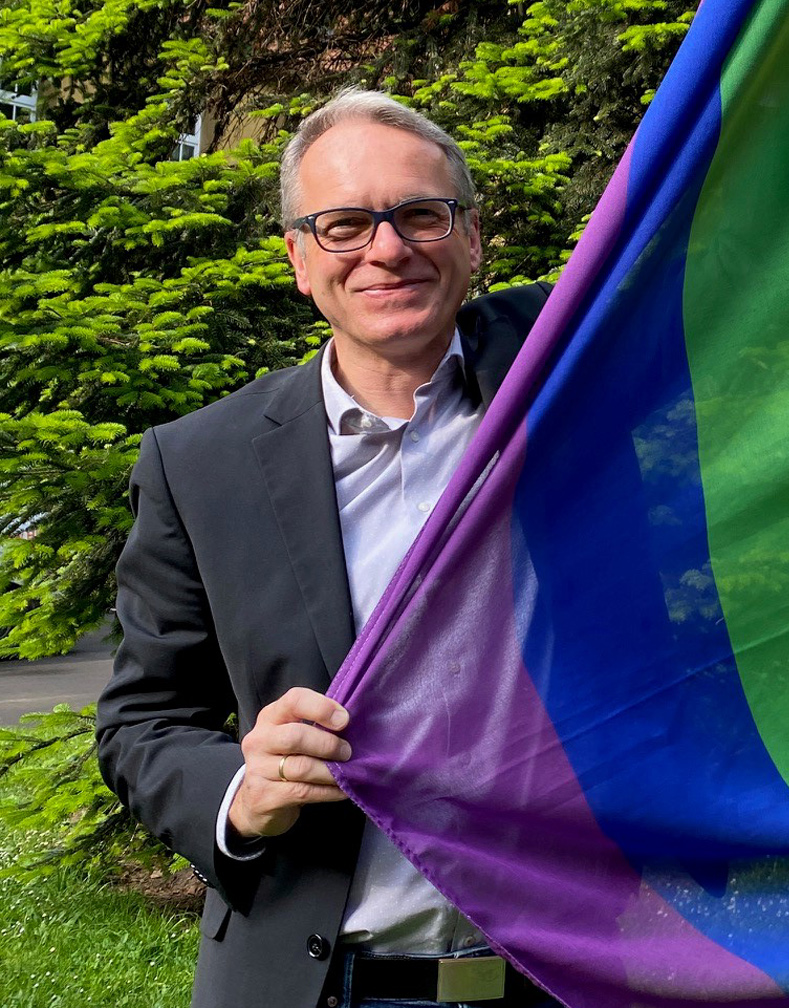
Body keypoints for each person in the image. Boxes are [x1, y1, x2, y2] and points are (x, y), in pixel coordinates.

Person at [96, 89, 554, 1008]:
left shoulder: (567, 381)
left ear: (471, 238)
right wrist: (242, 791)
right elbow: (141, 721)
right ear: (301, 261)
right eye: (344, 225)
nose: (388, 249)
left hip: (567, 975)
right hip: (322, 984)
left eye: (421, 214)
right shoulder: (202, 464)